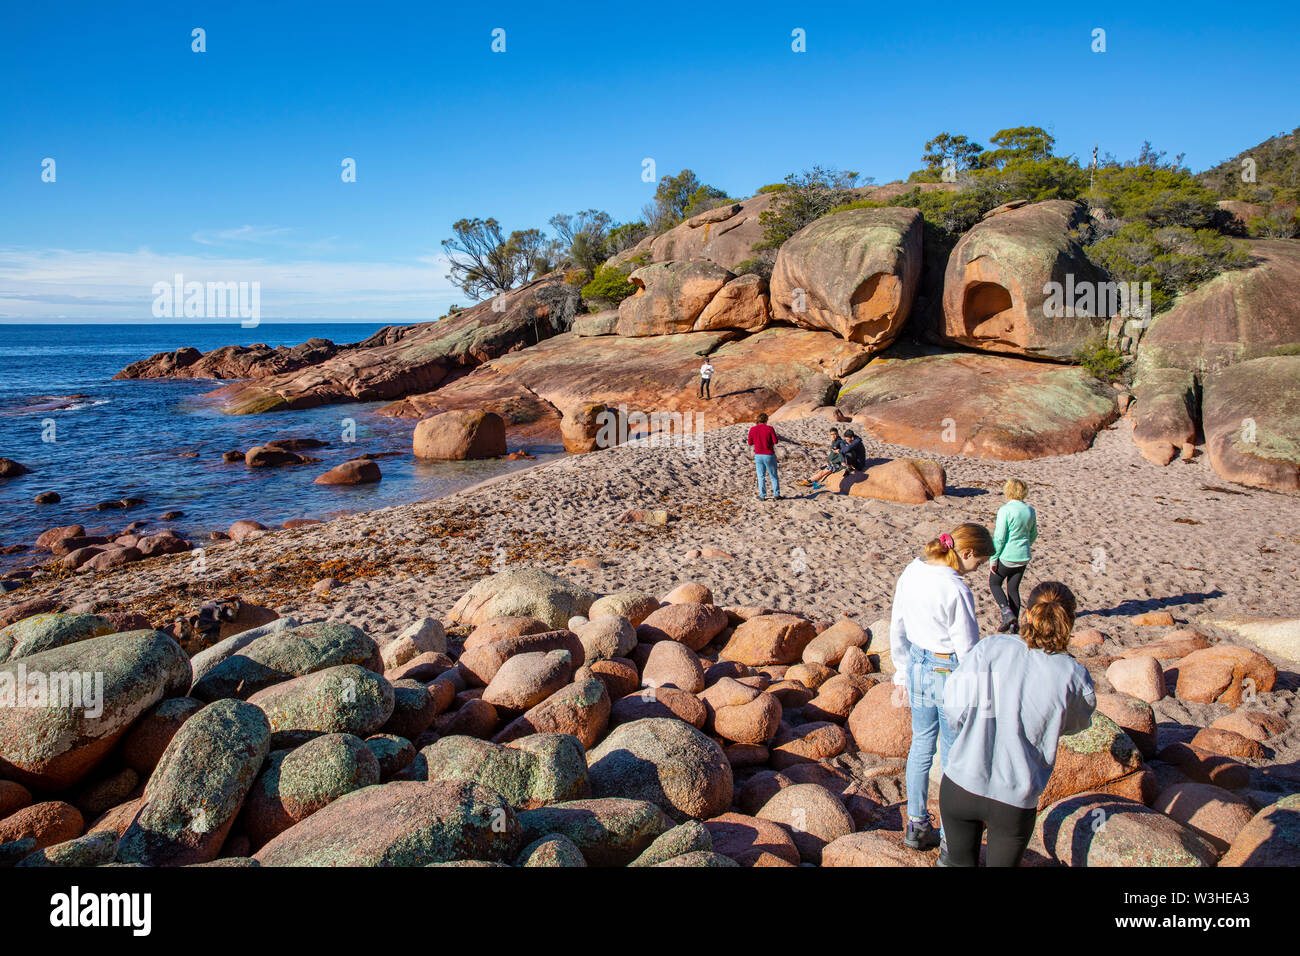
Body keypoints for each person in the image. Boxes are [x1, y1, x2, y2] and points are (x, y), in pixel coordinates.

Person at [940, 581, 1096, 867]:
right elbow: (1077, 723)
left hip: (962, 781)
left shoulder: (990, 648)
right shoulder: (1072, 675)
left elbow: (953, 708)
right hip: (1014, 797)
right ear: (1069, 622)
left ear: (1027, 613)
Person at [889, 522, 995, 852]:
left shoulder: (913, 571)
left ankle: (916, 825)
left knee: (921, 746)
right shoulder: (956, 588)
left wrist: (901, 673)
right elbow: (967, 647)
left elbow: (898, 624)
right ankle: (952, 842)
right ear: (965, 553)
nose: (975, 570)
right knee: (953, 756)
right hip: (948, 669)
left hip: (918, 663)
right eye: (977, 563)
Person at [989, 478, 1038, 633]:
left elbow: (999, 537)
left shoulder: (1006, 510)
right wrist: (1024, 546)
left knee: (994, 583)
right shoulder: (1030, 510)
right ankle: (1014, 625)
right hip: (1023, 556)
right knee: (1013, 589)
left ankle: (1007, 613)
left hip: (1007, 556)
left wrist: (994, 557)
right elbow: (1034, 533)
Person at [746, 412, 780, 500]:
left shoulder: (752, 429)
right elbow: (775, 441)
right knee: (773, 475)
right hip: (769, 454)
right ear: (766, 420)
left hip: (758, 455)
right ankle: (776, 494)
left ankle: (762, 495)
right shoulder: (769, 428)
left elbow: (750, 442)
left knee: (761, 476)